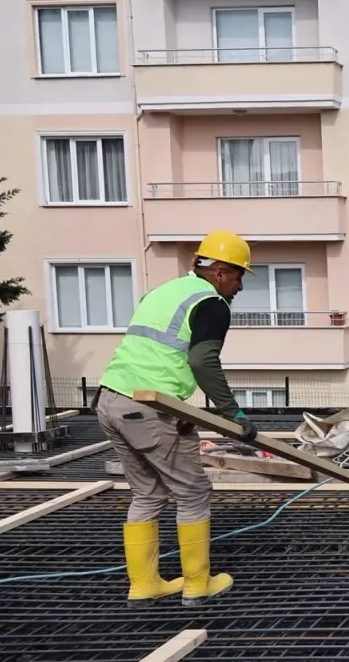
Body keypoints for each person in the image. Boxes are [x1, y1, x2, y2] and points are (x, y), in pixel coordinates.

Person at [97, 230, 260, 607]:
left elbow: (158, 358)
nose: (239, 287)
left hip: (111, 401)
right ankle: (197, 585)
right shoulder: (212, 303)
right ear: (219, 271)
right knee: (193, 492)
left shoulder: (161, 293)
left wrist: (183, 413)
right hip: (150, 408)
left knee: (147, 493)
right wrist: (231, 412)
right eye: (238, 276)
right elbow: (201, 361)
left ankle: (144, 585)